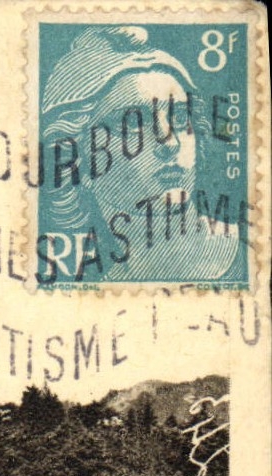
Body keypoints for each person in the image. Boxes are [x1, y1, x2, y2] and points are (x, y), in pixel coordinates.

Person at [38, 26, 243, 286]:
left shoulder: (246, 257)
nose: (169, 142)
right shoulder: (95, 288)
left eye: (180, 117)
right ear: (76, 158)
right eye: (133, 123)